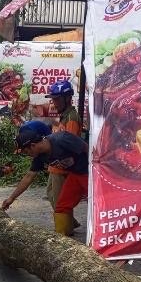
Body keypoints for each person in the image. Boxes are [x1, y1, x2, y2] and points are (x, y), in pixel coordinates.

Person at [2, 128, 89, 237]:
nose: (27, 155)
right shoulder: (39, 157)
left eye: (26, 152)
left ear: (33, 145)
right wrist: (11, 198)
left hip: (90, 173)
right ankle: (62, 237)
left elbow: (88, 149)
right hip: (75, 175)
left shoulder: (62, 139)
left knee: (97, 203)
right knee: (62, 206)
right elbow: (28, 177)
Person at [46, 80, 83, 231]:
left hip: (62, 167)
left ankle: (66, 229)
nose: (54, 103)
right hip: (55, 165)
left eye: (57, 99)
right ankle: (70, 222)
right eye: (53, 99)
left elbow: (71, 144)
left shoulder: (71, 118)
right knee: (51, 195)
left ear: (67, 98)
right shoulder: (64, 116)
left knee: (61, 201)